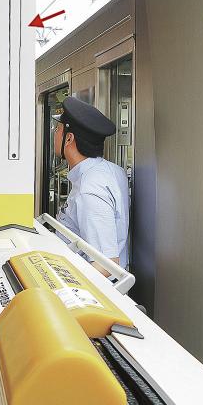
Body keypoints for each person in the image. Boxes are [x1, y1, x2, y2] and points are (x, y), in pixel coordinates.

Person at [52, 96, 129, 277]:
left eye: (58, 130)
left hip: (89, 294)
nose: (55, 134)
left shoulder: (90, 189)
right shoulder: (110, 170)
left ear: (69, 138)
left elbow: (106, 265)